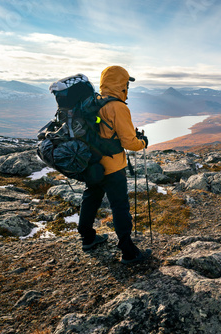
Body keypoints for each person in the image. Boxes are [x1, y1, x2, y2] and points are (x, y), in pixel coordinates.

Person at [77, 65, 152, 264]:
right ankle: (128, 251)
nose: (128, 87)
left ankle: (87, 238)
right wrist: (142, 142)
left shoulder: (94, 101)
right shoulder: (118, 107)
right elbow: (129, 142)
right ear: (121, 84)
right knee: (120, 206)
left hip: (92, 163)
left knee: (91, 197)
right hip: (112, 166)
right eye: (127, 83)